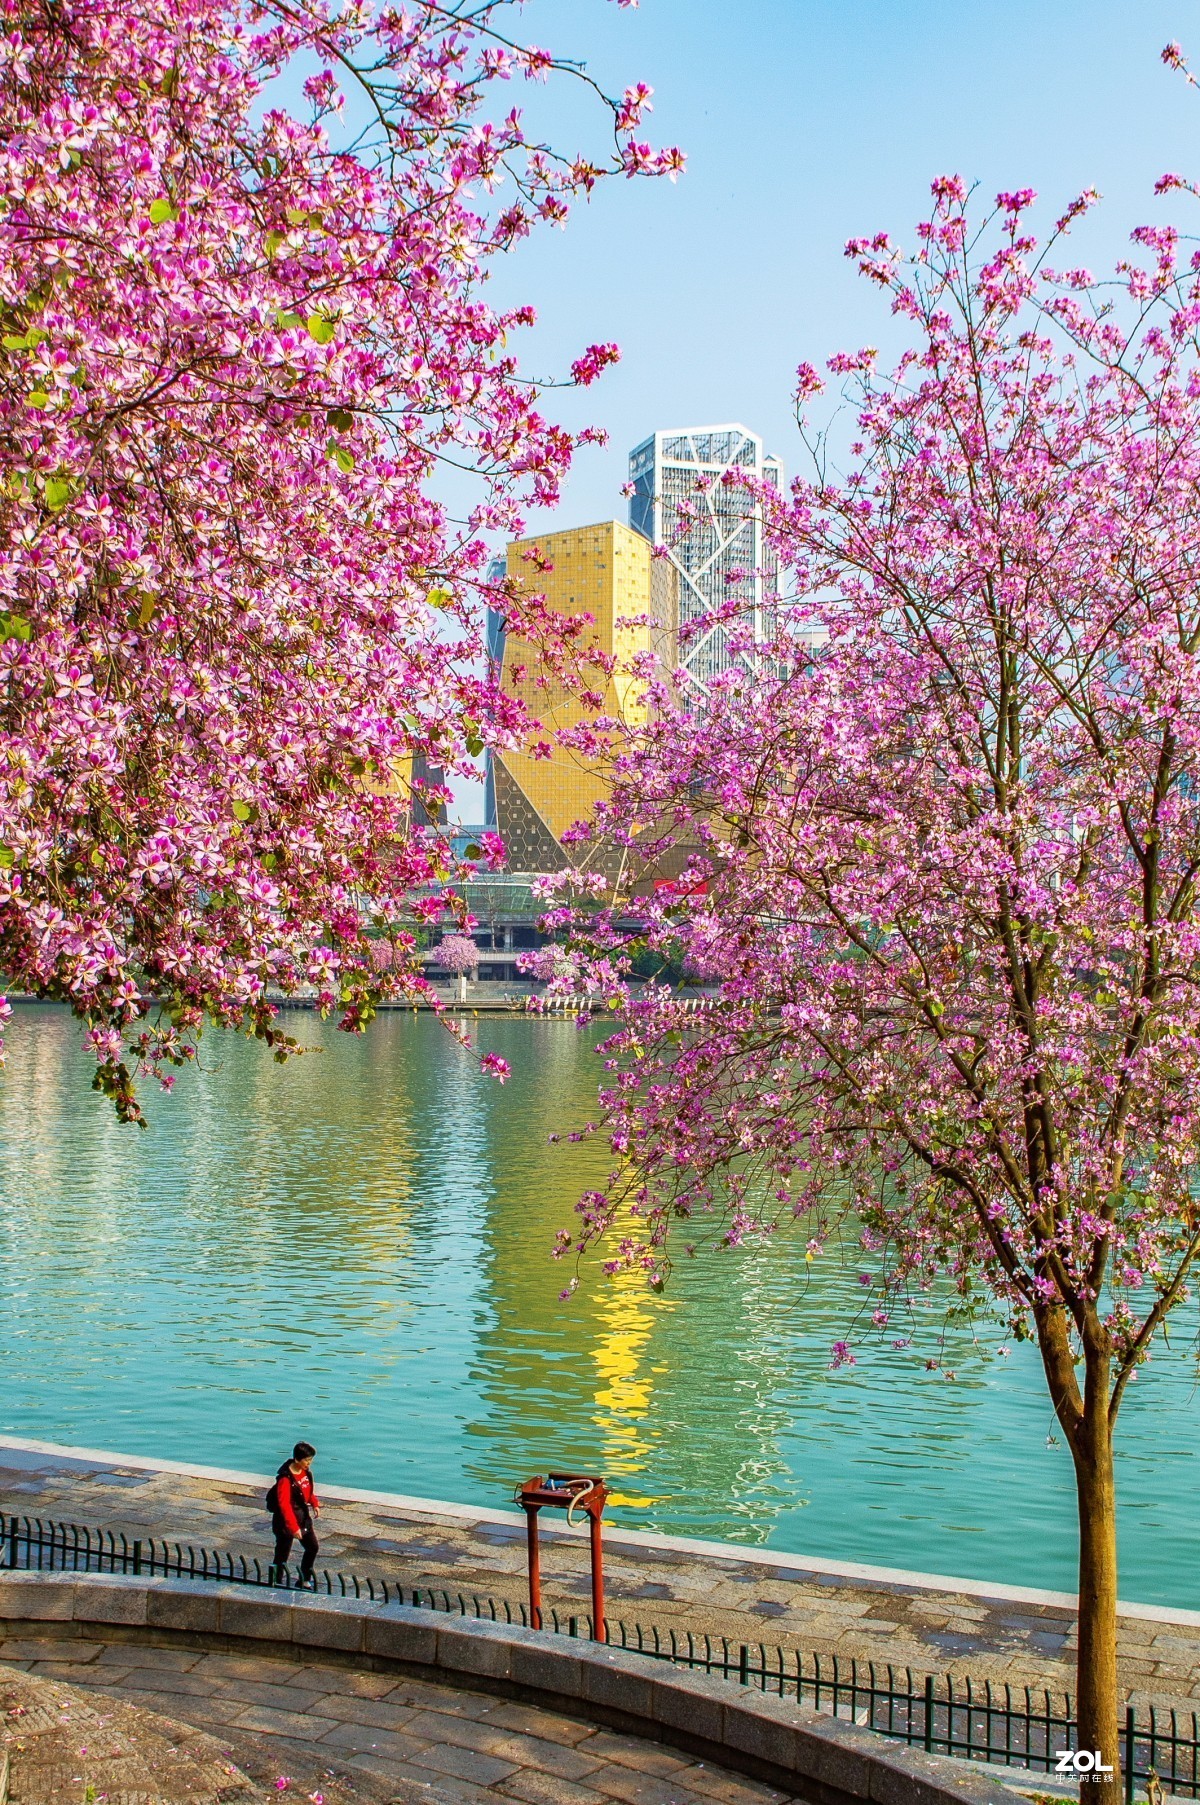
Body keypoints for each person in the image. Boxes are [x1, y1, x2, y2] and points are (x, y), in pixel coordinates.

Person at [268, 1440, 321, 1588]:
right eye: (306, 1460)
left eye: (310, 1460)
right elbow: (284, 1505)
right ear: (297, 1459)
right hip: (286, 1521)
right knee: (282, 1553)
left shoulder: (304, 1473)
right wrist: (293, 1527)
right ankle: (276, 1581)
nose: (309, 1463)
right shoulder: (285, 1479)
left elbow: (306, 1490)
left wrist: (314, 1503)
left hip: (302, 1517)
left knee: (312, 1547)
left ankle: (304, 1579)